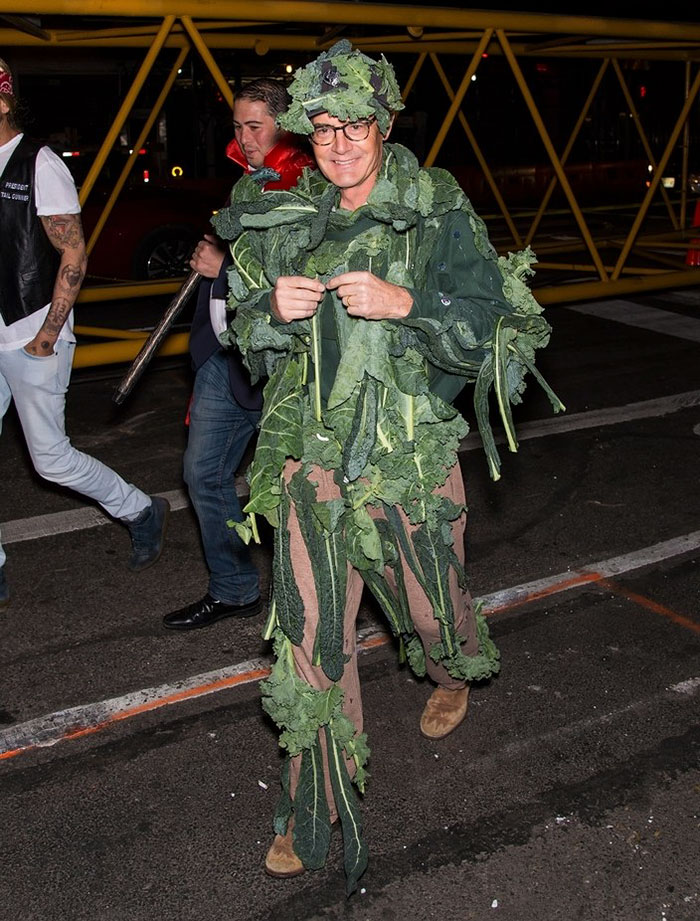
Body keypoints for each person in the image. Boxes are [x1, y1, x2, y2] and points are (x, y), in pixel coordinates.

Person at [212, 41, 563, 891]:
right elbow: (246, 332)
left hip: (408, 458)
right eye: (323, 128)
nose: (338, 144)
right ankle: (312, 802)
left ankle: (452, 665)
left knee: (432, 606)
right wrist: (270, 307)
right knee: (311, 634)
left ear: (387, 123)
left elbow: (498, 324)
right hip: (315, 457)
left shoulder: (434, 205)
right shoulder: (291, 213)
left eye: (354, 126)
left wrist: (407, 303)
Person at [0, 57, 169, 607]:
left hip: (30, 329)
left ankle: (140, 508)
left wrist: (49, 333)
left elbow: (73, 250)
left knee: (50, 457)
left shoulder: (38, 163)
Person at [162, 79, 314, 630]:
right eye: (237, 126)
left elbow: (296, 275)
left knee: (298, 487)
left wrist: (220, 267)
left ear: (284, 125)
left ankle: (319, 601)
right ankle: (233, 588)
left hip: (277, 365)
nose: (245, 138)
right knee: (202, 474)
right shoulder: (249, 180)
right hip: (223, 358)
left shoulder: (303, 182)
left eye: (256, 126)